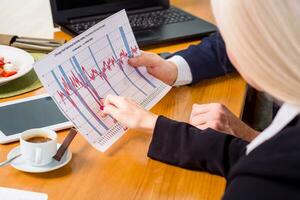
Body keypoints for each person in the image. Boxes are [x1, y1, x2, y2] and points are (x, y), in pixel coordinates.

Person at [102, 0, 300, 199]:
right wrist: (155, 125)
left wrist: (251, 136)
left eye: (230, 37)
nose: (227, 49)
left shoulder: (258, 182)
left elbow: (270, 162)